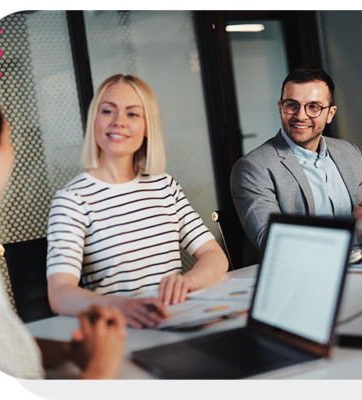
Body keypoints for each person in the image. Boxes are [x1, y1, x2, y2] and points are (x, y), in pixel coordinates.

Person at [46, 74, 228, 329]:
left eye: (132, 114)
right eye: (108, 111)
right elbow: (60, 293)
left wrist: (189, 282)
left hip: (176, 320)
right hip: (121, 329)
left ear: (147, 127)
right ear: (94, 121)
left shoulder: (165, 185)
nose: (118, 122)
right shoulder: (72, 200)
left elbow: (214, 255)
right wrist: (120, 306)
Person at [0, 74, 126, 379]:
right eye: (10, 138)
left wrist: (70, 352)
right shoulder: (72, 198)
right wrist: (101, 369)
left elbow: (0, 346)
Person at [231, 66, 362, 254]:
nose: (300, 116)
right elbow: (272, 243)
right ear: (280, 108)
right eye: (292, 105)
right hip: (301, 275)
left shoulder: (348, 152)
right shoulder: (253, 168)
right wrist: (356, 227)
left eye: (313, 106)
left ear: (330, 114)